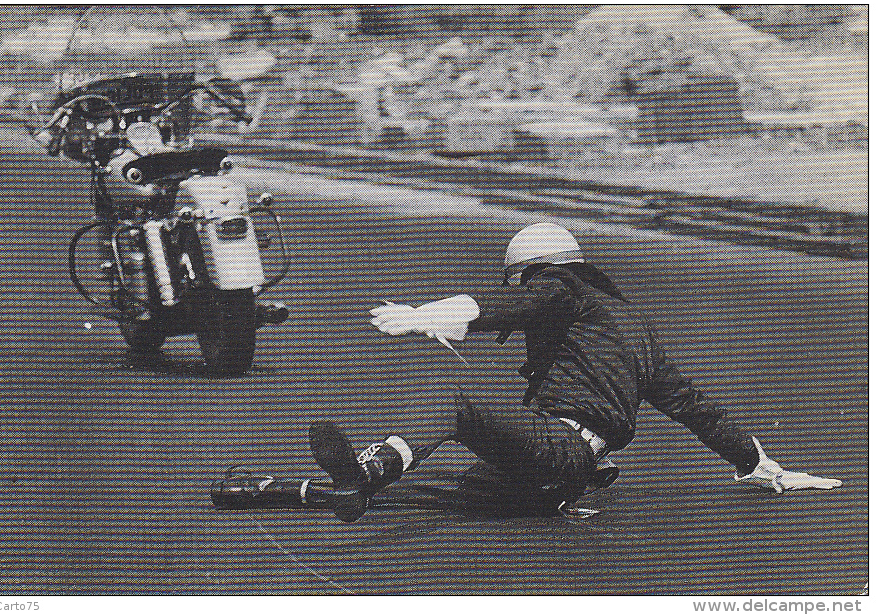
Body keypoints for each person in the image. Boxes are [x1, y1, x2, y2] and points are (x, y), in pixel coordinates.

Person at [215, 223, 842, 521]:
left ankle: (370, 470)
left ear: (535, 271)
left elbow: (506, 307)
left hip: (556, 445)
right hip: (560, 463)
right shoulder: (639, 332)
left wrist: (420, 316)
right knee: (458, 493)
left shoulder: (557, 288)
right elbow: (698, 409)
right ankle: (348, 488)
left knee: (457, 406)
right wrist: (763, 466)